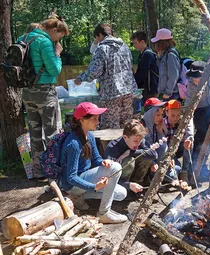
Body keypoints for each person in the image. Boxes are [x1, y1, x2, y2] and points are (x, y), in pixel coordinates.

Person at [59, 102, 128, 224]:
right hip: (72, 186)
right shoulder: (74, 143)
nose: (98, 122)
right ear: (82, 120)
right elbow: (71, 177)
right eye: (94, 119)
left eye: (98, 118)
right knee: (116, 167)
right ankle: (104, 213)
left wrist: (103, 161)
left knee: (121, 193)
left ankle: (79, 197)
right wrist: (94, 187)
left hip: (85, 179)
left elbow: (96, 159)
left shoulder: (89, 135)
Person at [19, 15, 69, 179]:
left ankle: (38, 170)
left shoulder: (23, 37)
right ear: (54, 30)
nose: (57, 40)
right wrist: (58, 54)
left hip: (27, 92)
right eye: (59, 36)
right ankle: (53, 171)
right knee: (51, 133)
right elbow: (54, 70)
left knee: (34, 133)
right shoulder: (45, 42)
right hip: (44, 93)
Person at [75, 23, 138, 129]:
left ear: (100, 35)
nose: (97, 41)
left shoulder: (102, 48)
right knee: (126, 125)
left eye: (96, 38)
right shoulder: (125, 47)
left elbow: (95, 71)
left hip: (111, 93)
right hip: (128, 90)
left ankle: (112, 146)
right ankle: (126, 145)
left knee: (111, 126)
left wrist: (81, 78)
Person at [104, 120, 158, 192]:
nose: (138, 144)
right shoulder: (113, 147)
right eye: (135, 141)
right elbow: (108, 176)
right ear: (125, 137)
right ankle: (127, 190)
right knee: (129, 161)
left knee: (146, 157)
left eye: (140, 140)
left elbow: (154, 154)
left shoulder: (138, 140)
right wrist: (128, 185)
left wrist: (130, 152)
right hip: (119, 182)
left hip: (134, 181)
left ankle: (138, 185)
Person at [185, 61, 210, 167]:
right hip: (198, 109)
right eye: (194, 78)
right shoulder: (191, 86)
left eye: (198, 78)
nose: (195, 81)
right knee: (201, 133)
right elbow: (188, 105)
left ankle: (204, 161)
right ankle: (195, 162)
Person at [141, 98, 181, 180]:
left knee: (178, 168)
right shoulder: (141, 127)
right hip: (146, 162)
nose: (160, 118)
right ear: (150, 114)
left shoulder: (157, 125)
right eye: (158, 115)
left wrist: (160, 131)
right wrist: (152, 163)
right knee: (172, 175)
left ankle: (162, 176)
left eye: (161, 115)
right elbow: (141, 149)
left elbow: (163, 147)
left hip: (158, 161)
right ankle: (149, 178)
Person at [163, 100, 194, 183]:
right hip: (167, 152)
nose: (175, 118)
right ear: (166, 113)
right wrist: (169, 158)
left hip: (177, 149)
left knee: (190, 142)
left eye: (178, 115)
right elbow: (163, 146)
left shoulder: (181, 122)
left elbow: (190, 122)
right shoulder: (163, 125)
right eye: (172, 115)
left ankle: (185, 171)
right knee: (176, 170)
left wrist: (187, 139)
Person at [151, 28, 181, 101]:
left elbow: (174, 75)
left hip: (171, 94)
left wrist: (168, 92)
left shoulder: (171, 55)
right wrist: (159, 58)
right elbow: (160, 70)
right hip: (165, 93)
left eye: (157, 42)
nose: (155, 44)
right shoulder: (165, 54)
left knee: (169, 112)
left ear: (162, 42)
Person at [131, 30, 159, 103]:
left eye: (135, 43)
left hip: (150, 89)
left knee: (151, 111)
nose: (134, 45)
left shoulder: (147, 55)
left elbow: (143, 73)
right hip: (147, 89)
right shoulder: (142, 54)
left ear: (142, 42)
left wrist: (133, 82)